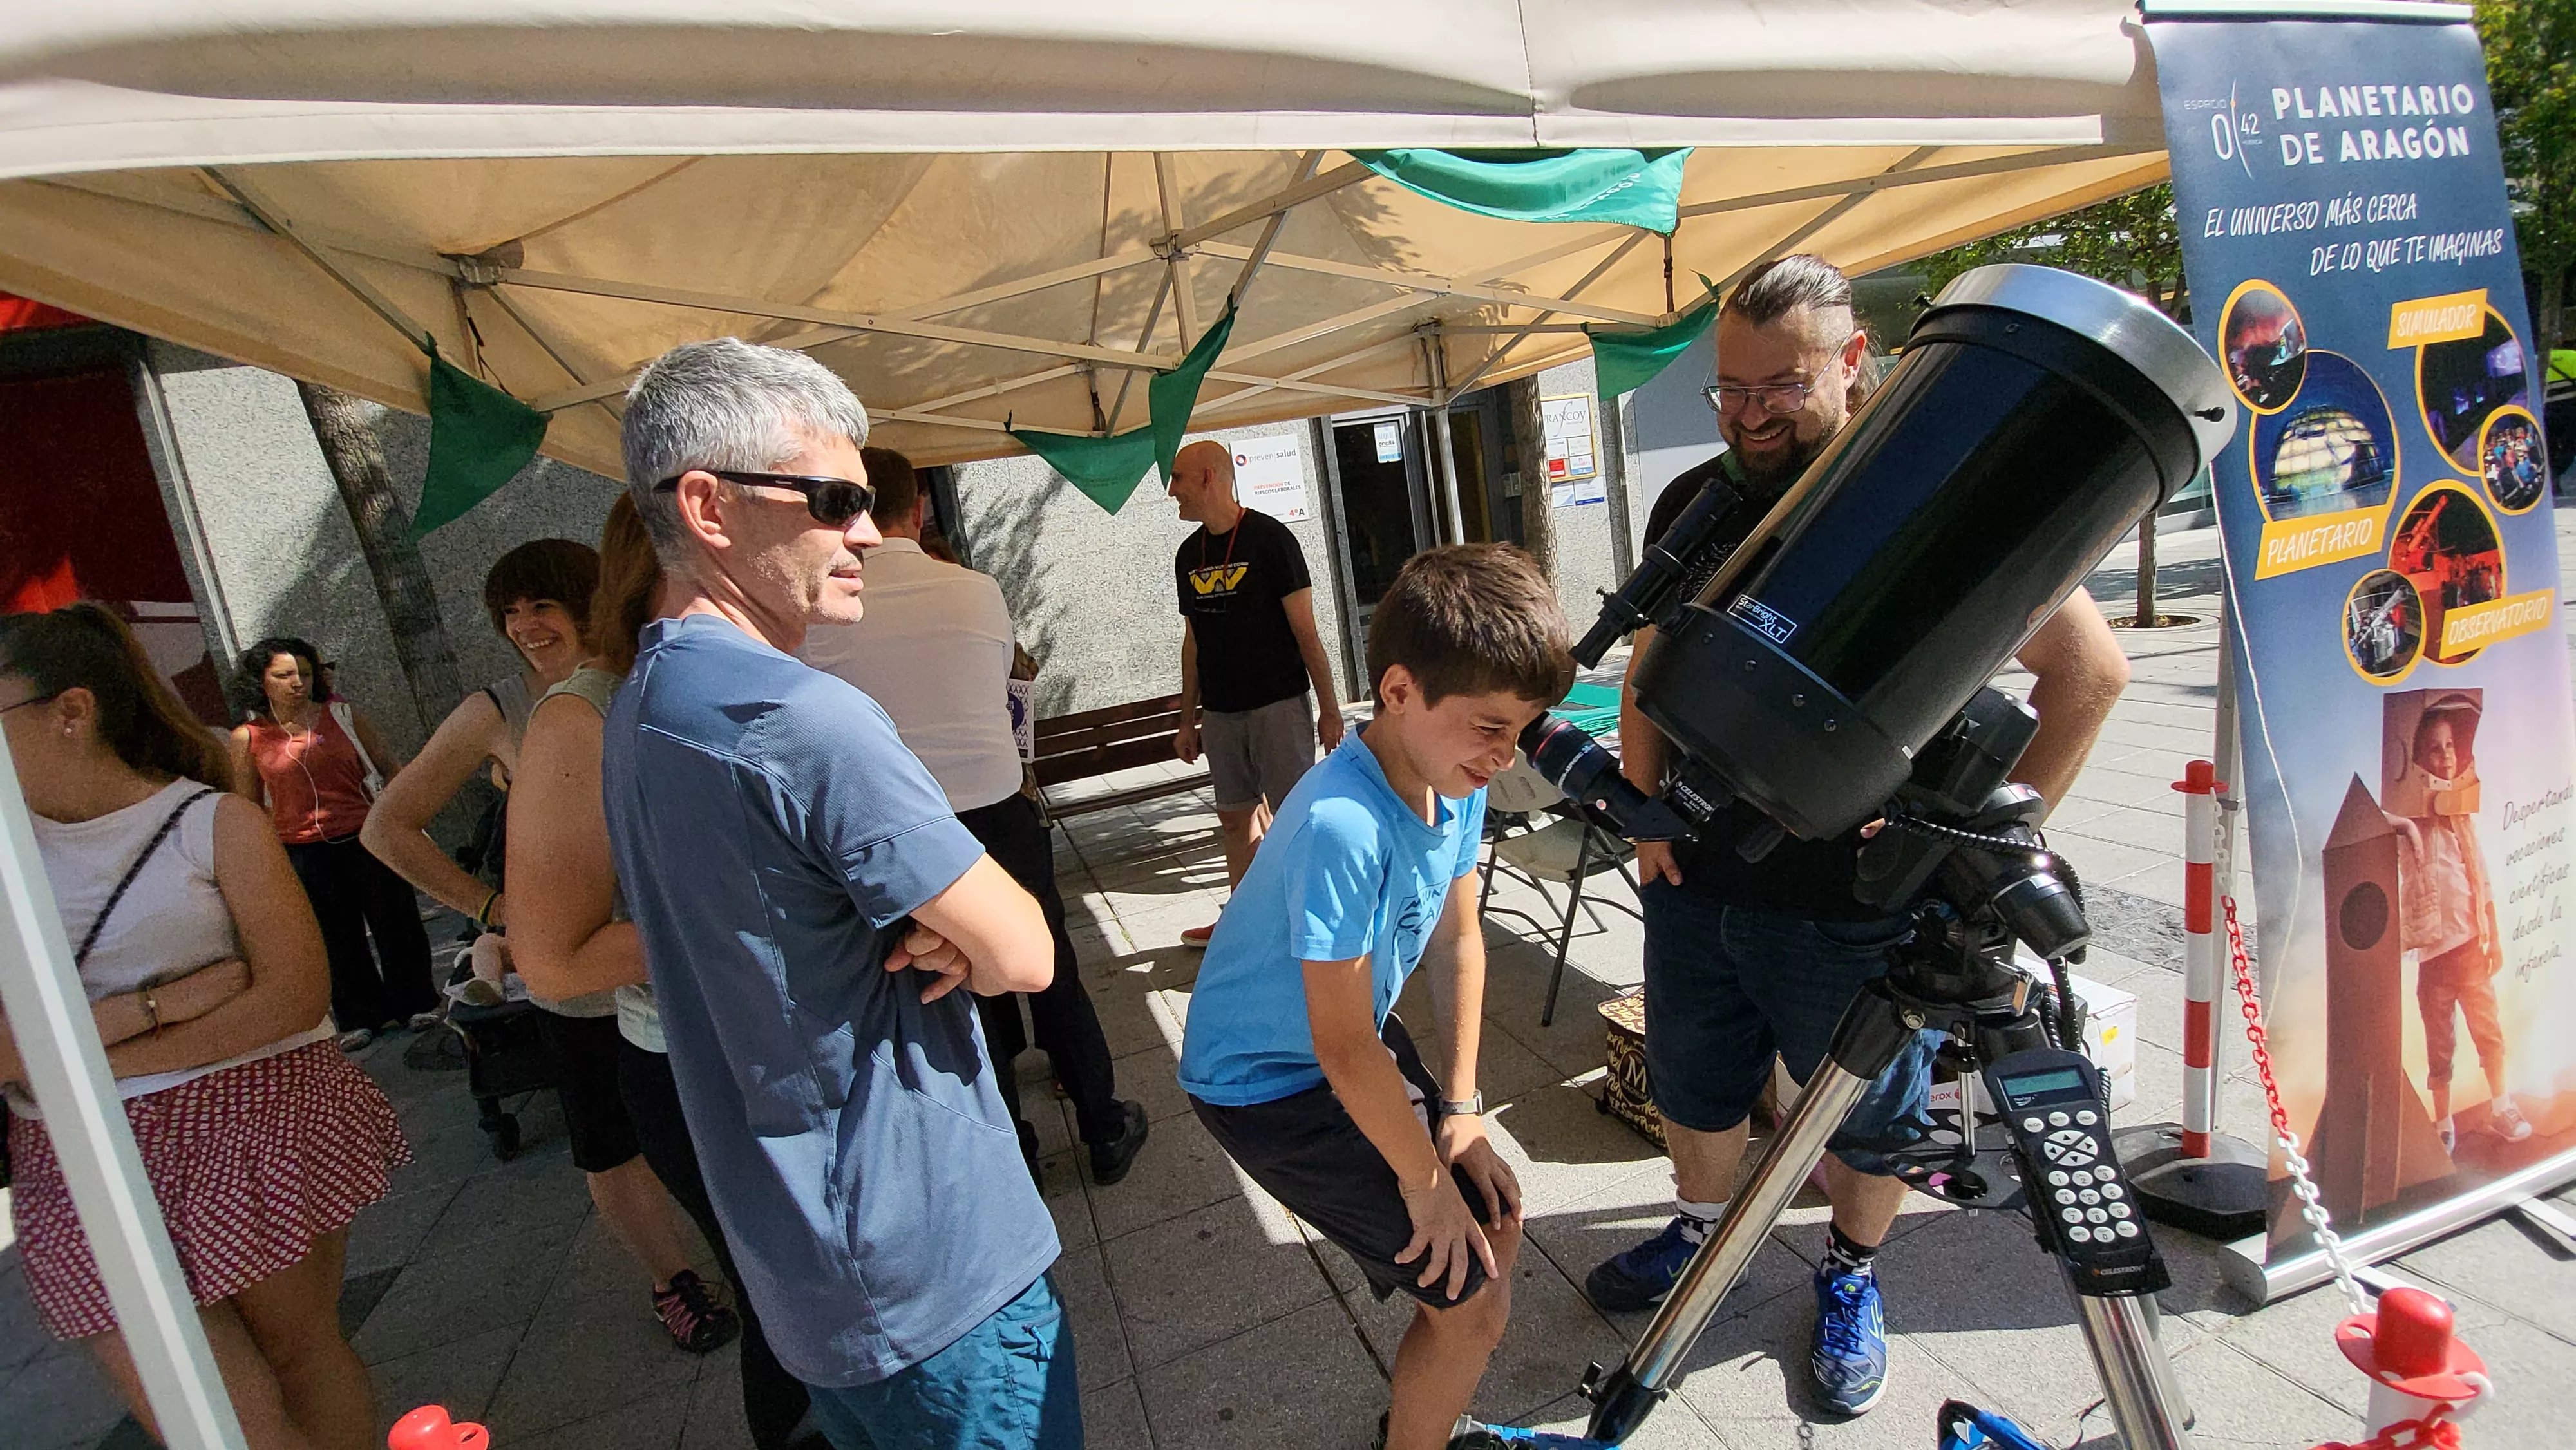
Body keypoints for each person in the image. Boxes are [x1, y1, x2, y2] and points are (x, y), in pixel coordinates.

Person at [1584, 256, 2132, 1418]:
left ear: (1854, 362)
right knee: (1694, 1081)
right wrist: (1643, 818)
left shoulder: (1930, 497)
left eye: (1779, 387)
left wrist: (1979, 852)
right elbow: (1648, 658)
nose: (1749, 416)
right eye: (1730, 390)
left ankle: (1849, 1272)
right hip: (1698, 879)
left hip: (1853, 907)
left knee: (1871, 1118)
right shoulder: (1698, 500)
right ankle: (1699, 1233)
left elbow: (2089, 674)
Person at [598, 338, 1075, 1447]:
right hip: (929, 1257)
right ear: (708, 507)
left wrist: (925, 921)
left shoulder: (645, 700)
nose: (866, 531)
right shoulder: (798, 716)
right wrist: (949, 927)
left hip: (808, 1260)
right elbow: (1023, 952)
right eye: (832, 500)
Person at [1180, 544, 1580, 1450]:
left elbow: (1459, 937)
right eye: (1489, 726)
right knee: (1471, 1297)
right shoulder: (1342, 823)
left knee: (1494, 1221)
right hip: (1264, 1083)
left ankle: (1426, 1417)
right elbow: (1341, 1047)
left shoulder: (1455, 780)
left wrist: (1462, 1111)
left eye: (1521, 729)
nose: (1505, 755)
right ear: (1398, 690)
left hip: (1343, 1043)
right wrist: (1422, 1181)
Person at [0, 605, 408, 1450]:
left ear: (71, 711)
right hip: (73, 1158)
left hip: (246, 1120)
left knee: (299, 1356)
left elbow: (291, 996)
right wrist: (160, 1004)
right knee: (223, 1420)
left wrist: (78, 1057)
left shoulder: (211, 822)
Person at [359, 539, 737, 1355]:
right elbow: (387, 825)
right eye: (509, 612)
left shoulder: (650, 673)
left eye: (542, 604)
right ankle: (673, 1279)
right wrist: (495, 910)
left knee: (704, 1125)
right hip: (584, 977)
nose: (525, 625)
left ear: (593, 599)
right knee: (609, 1137)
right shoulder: (499, 708)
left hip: (672, 958)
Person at [509, 497, 815, 1449]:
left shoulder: (710, 677)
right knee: (786, 1304)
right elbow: (555, 958)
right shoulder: (588, 711)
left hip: (778, 1035)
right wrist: (779, 912)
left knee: (827, 1290)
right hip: (695, 1061)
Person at [800, 446, 1150, 1186]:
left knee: (951, 986)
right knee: (1049, 964)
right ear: (919, 506)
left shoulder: (822, 610)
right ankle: (1102, 1121)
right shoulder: (975, 590)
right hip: (998, 810)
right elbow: (1004, 692)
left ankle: (1011, 1146)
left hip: (903, 828)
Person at [1167, 438, 1345, 947]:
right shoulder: (1188, 555)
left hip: (1278, 705)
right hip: (1221, 713)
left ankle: (1316, 921)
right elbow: (1193, 642)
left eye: (1178, 478)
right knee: (1234, 819)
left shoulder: (1272, 540)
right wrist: (1188, 720)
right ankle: (1246, 926)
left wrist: (1330, 709)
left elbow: (1306, 632)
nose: (1171, 491)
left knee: (1295, 818)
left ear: (1208, 477)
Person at [227, 636, 436, 1051]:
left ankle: (417, 1002)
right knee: (334, 936)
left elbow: (388, 765)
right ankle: (359, 1015)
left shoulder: (342, 715)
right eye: (284, 675)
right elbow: (247, 805)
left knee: (397, 922)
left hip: (367, 835)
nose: (297, 684)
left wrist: (406, 816)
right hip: (303, 849)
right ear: (260, 681)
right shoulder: (247, 738)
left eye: (305, 674)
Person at [2387, 693, 2528, 1150]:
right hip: (2435, 955)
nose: (2446, 756)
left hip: (2469, 948)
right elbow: (2377, 817)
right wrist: (2407, 823)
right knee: (2440, 1044)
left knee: (2489, 1031)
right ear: (2418, 760)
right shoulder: (2411, 817)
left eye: (2451, 746)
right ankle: (2443, 1123)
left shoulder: (2463, 814)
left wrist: (2494, 935)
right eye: (2434, 749)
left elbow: (2480, 877)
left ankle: (2502, 1106)